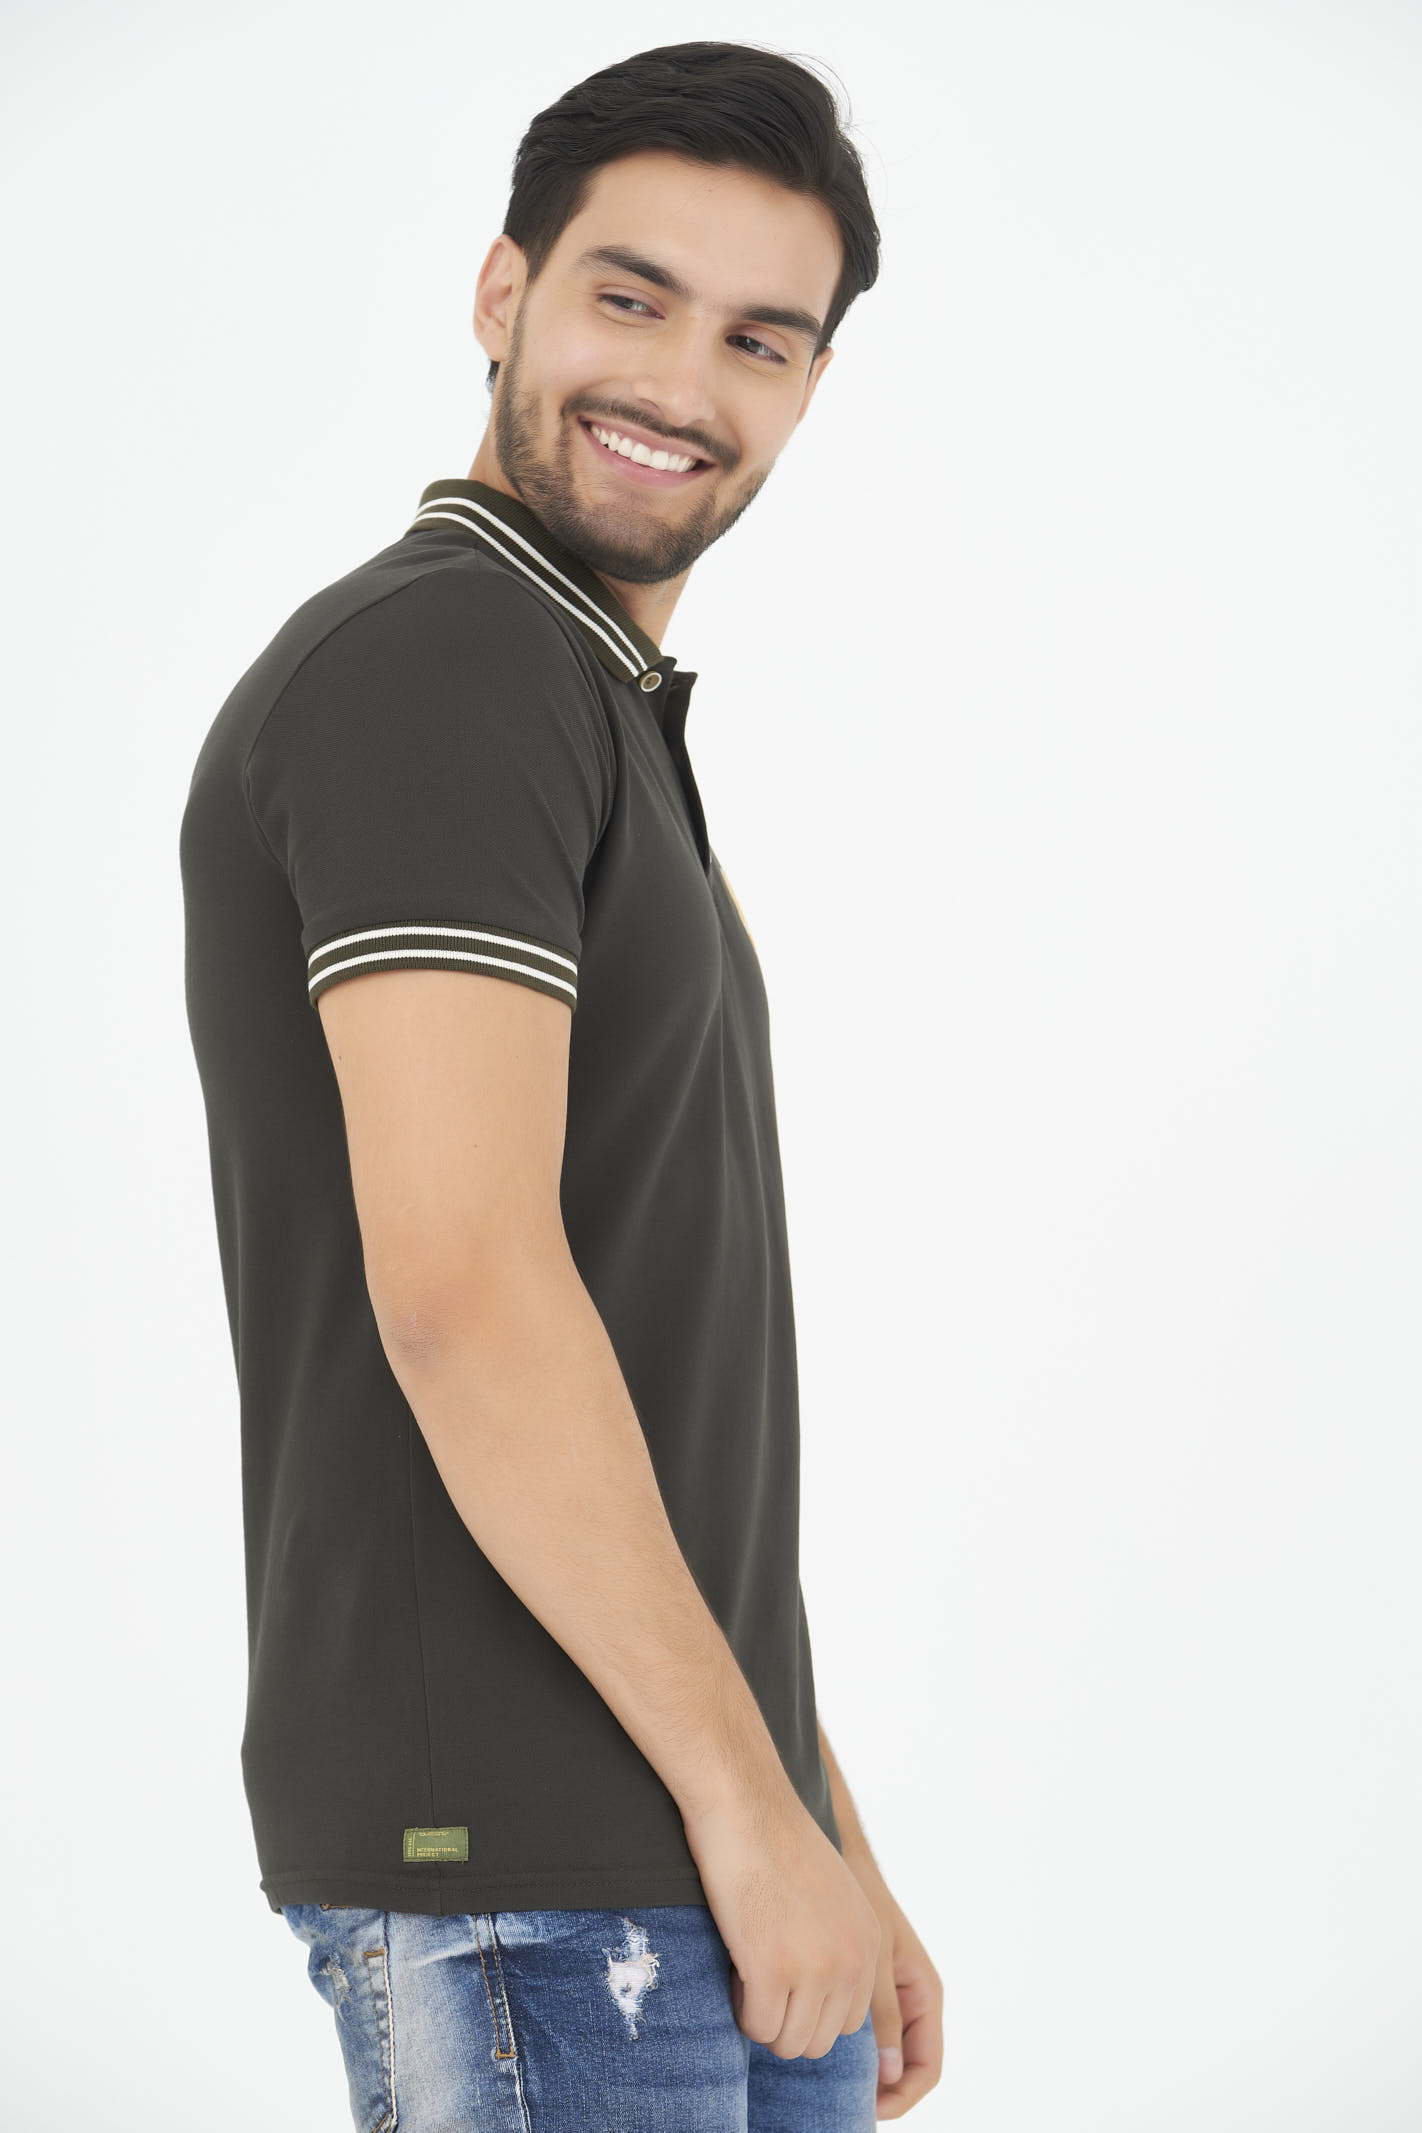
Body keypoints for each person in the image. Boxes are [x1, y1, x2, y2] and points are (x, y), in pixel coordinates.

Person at [180, 37, 942, 2130]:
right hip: (536, 1866)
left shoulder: (579, 693)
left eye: (759, 337)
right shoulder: (452, 664)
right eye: (631, 296)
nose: (684, 382)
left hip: (677, 1846)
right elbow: (469, 1290)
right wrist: (751, 1808)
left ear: (809, 386)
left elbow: (649, 1366)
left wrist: (814, 1815)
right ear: (502, 291)